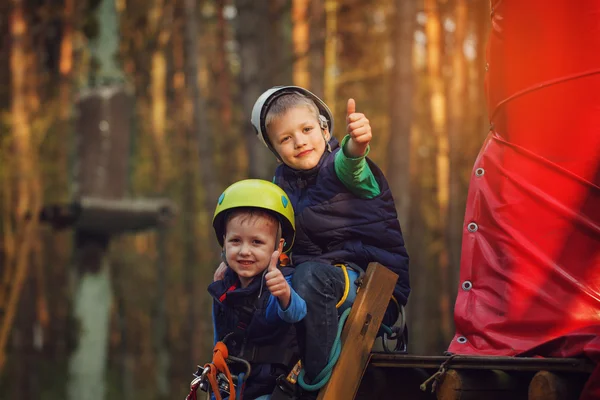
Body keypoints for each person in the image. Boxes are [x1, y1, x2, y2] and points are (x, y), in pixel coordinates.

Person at [248, 86, 410, 387]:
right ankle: (259, 381)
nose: (299, 142)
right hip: (317, 288)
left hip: (371, 289)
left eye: (307, 129)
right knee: (256, 284)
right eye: (285, 138)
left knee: (309, 277)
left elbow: (352, 161)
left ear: (324, 129)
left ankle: (315, 381)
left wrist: (357, 143)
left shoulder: (339, 168)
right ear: (275, 150)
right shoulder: (280, 183)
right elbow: (265, 234)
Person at [209, 179, 306, 400]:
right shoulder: (223, 285)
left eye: (256, 242)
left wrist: (284, 294)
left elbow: (297, 313)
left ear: (278, 247)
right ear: (224, 243)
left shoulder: (278, 281)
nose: (244, 251)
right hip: (232, 383)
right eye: (235, 241)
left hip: (271, 388)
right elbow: (220, 336)